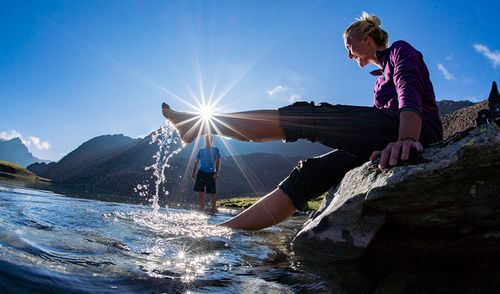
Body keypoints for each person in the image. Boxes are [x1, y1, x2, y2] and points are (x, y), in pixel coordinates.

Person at [162, 12, 443, 230]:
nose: (348, 55)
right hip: (391, 134)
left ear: (365, 39)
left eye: (349, 46)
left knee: (309, 116)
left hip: (416, 133)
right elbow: (379, 121)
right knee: (310, 172)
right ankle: (225, 231)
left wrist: (407, 138)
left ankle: (201, 124)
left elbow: (409, 90)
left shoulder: (400, 51)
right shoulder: (378, 81)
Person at [192, 134, 221, 213]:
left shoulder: (215, 149)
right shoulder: (201, 150)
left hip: (211, 173)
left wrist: (216, 172)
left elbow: (218, 162)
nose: (208, 141)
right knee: (200, 191)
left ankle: (213, 208)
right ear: (205, 140)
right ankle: (202, 207)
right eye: (207, 139)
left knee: (211, 192)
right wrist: (193, 173)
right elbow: (196, 162)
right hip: (201, 172)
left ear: (212, 140)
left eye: (210, 140)